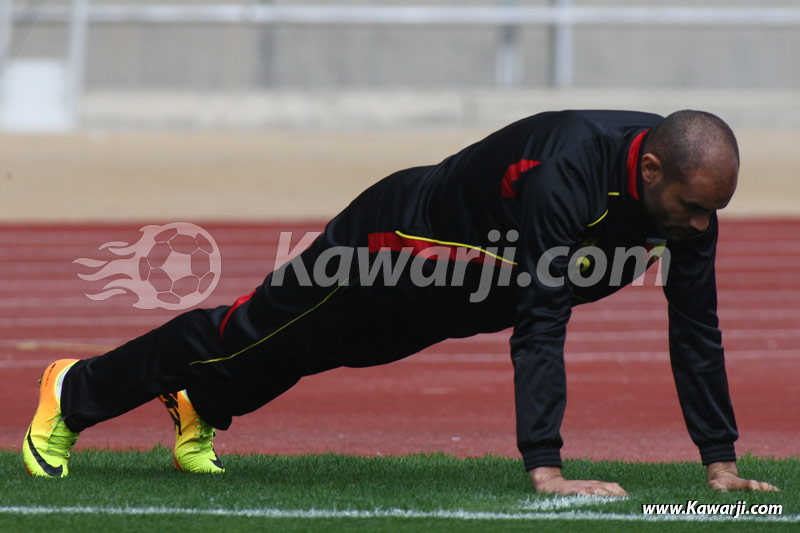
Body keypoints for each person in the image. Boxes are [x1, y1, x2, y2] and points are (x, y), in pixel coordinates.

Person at [23, 109, 778, 495]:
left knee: (319, 348)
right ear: (649, 170)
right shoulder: (569, 172)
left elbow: (697, 330)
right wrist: (544, 467)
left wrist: (720, 461)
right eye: (692, 206)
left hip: (467, 288)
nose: (701, 226)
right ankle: (73, 390)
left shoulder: (687, 203)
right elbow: (542, 324)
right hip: (394, 243)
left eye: (715, 210)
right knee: (250, 328)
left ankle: (199, 403)